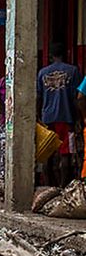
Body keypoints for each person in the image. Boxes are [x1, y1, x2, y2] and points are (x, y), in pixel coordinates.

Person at [37, 42, 83, 186]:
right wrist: (78, 119)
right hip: (67, 117)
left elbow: (38, 97)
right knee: (66, 154)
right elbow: (78, 98)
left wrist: (38, 116)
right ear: (65, 53)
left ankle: (49, 187)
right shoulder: (73, 71)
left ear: (50, 55)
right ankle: (63, 187)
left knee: (47, 154)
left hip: (47, 118)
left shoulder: (42, 73)